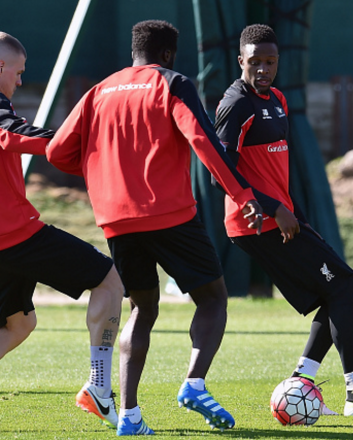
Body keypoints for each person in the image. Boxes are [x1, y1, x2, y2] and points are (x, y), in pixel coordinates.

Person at [46, 20, 283, 436]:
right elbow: (203, 142)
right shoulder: (173, 83)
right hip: (169, 214)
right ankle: (194, 384)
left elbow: (56, 152)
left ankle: (131, 417)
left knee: (143, 308)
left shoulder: (100, 90)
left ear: (134, 52)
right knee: (212, 299)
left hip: (116, 220)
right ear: (169, 54)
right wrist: (244, 197)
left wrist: (98, 170)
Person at [0, 31, 124, 432]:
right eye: (17, 73)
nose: (18, 81)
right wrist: (75, 141)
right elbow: (11, 134)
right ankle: (100, 389)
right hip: (13, 233)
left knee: (18, 324)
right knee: (110, 281)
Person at [214, 24, 353, 417]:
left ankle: (303, 381)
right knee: (344, 285)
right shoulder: (235, 104)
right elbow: (221, 169)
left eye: (270, 61)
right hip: (254, 223)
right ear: (241, 62)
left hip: (283, 218)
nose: (263, 69)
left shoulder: (279, 100)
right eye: (255, 62)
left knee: (338, 290)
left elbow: (276, 172)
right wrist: (274, 209)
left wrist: (299, 219)